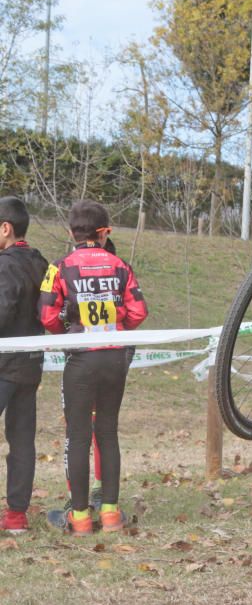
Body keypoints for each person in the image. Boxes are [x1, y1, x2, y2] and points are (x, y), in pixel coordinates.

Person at [38, 200, 147, 535]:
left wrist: (66, 333)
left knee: (78, 435)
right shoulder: (121, 265)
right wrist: (118, 326)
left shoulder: (59, 267)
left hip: (81, 357)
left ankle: (81, 518)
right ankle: (112, 515)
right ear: (104, 233)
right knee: (108, 432)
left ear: (71, 232)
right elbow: (138, 311)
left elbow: (46, 315)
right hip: (115, 357)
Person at [0, 198, 49, 534]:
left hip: (4, 366)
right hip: (32, 365)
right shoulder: (41, 262)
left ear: (6, 228)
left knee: (20, 440)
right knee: (21, 440)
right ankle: (17, 518)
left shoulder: (5, 264)